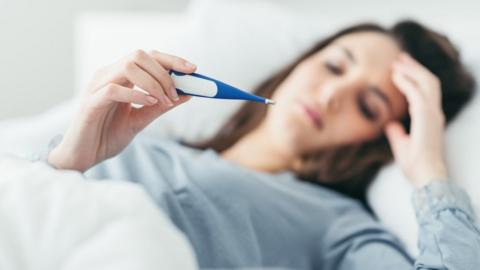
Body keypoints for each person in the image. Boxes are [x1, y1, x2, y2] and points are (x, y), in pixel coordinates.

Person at [46, 20, 479, 269]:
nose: (331, 96)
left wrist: (430, 173)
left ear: (378, 140)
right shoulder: (129, 143)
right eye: (333, 66)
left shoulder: (338, 225)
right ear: (299, 62)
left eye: (367, 106)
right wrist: (68, 162)